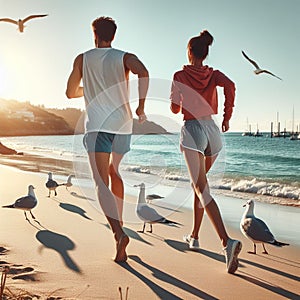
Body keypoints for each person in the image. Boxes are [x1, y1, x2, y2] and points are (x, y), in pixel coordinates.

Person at [66, 16, 149, 262]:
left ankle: (118, 232)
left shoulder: (82, 59)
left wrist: (89, 89)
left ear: (94, 34)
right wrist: (141, 107)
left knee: (100, 182)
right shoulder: (124, 57)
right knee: (115, 173)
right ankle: (120, 224)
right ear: (113, 35)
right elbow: (143, 72)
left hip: (97, 128)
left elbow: (70, 92)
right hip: (122, 126)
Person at [170, 30, 242, 274]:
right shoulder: (214, 74)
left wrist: (180, 95)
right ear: (206, 52)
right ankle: (194, 236)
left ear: (189, 52)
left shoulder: (180, 75)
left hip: (193, 129)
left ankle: (226, 243)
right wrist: (227, 117)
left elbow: (173, 108)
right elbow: (231, 86)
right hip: (213, 131)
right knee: (198, 187)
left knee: (201, 188)